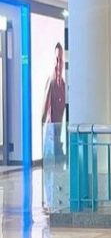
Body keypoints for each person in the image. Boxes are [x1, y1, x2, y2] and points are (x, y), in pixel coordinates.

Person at [41, 42, 68, 213]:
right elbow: (45, 109)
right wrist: (42, 122)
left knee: (58, 169)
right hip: (51, 134)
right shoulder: (51, 82)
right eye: (56, 60)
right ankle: (51, 203)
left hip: (59, 134)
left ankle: (57, 202)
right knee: (50, 170)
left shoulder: (62, 84)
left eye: (61, 60)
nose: (58, 64)